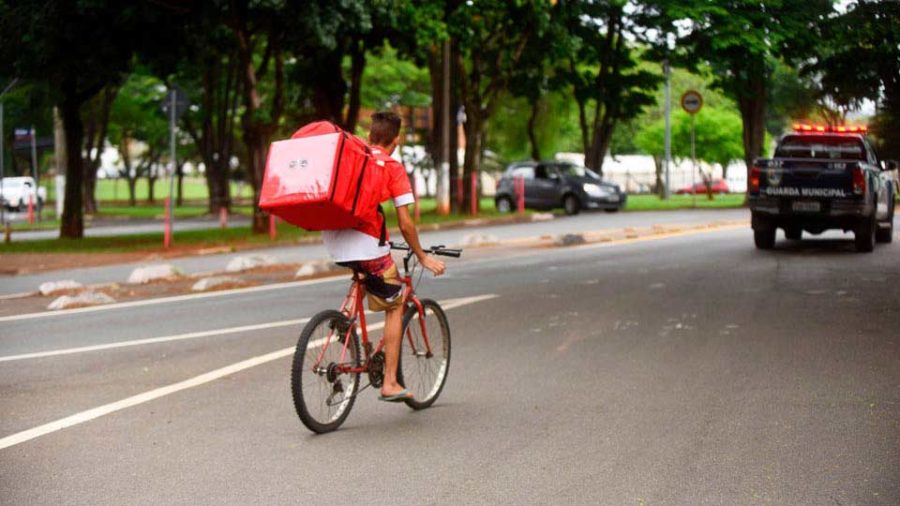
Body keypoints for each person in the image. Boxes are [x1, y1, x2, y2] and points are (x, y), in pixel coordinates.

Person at [321, 111, 445, 402]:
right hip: (366, 243)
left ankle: (346, 319)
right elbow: (405, 223)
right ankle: (390, 382)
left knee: (366, 276)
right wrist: (422, 256)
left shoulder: (353, 159)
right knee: (394, 304)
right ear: (396, 141)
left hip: (334, 239)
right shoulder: (392, 168)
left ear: (369, 136)